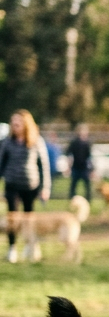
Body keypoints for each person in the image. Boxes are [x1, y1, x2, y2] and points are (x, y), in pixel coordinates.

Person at [1, 110, 53, 263]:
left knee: (29, 220)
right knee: (12, 219)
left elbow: (44, 166)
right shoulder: (7, 142)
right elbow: (1, 164)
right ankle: (12, 248)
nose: (15, 125)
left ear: (26, 124)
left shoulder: (36, 141)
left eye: (18, 122)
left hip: (30, 185)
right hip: (11, 185)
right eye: (13, 122)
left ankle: (30, 247)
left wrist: (45, 188)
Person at [66, 125, 92, 201]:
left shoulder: (87, 143)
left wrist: (91, 169)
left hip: (84, 168)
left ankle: (88, 200)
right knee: (73, 185)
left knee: (87, 186)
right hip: (76, 167)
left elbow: (89, 157)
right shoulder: (74, 143)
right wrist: (69, 166)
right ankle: (72, 200)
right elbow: (69, 155)